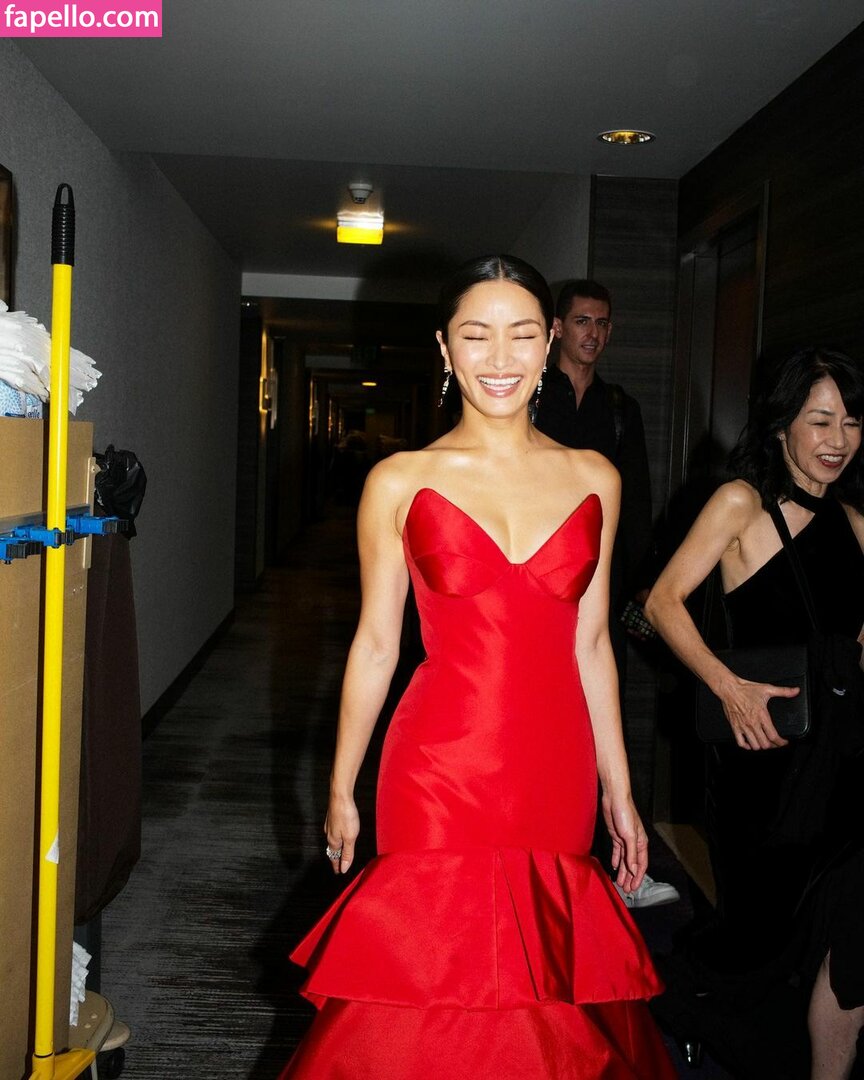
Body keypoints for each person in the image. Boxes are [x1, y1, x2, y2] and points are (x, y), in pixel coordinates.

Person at [280, 255, 675, 1079]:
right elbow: (377, 644)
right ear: (444, 347)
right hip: (435, 767)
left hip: (554, 766)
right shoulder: (399, 480)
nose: (500, 358)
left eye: (522, 335)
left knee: (545, 986)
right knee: (429, 980)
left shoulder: (595, 477)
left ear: (551, 341)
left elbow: (592, 645)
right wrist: (342, 785)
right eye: (476, 335)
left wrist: (621, 790)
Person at [645, 347, 864, 1079]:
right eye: (821, 420)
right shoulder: (741, 503)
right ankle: (686, 1005)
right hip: (762, 758)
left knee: (837, 923)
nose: (838, 439)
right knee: (757, 930)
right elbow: (663, 602)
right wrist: (728, 686)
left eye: (852, 422)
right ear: (781, 425)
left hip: (845, 759)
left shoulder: (856, 522)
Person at [534, 279, 679, 911]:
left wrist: (636, 584)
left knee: (600, 721)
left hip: (599, 588)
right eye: (582, 321)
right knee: (538, 723)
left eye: (602, 323)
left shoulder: (620, 408)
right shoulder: (528, 397)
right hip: (535, 588)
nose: (593, 333)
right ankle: (543, 862)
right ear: (557, 328)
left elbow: (637, 503)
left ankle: (618, 865)